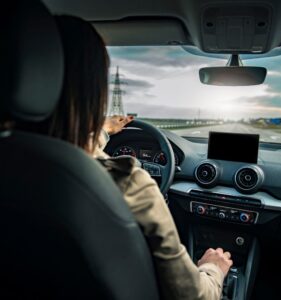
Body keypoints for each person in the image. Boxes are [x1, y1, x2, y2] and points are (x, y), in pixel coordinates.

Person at [40, 15, 233, 300]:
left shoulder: (14, 161)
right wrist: (212, 269)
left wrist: (102, 129)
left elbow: (71, 146)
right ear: (92, 92)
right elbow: (193, 296)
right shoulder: (129, 183)